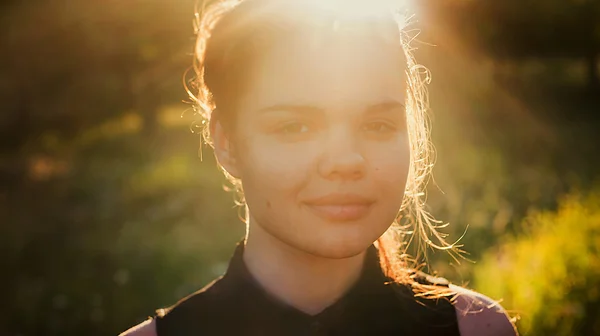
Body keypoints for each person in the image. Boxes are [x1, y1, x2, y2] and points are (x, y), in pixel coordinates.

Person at [121, 0, 518, 335]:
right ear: (227, 144)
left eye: (377, 125)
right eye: (294, 126)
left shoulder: (476, 328)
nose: (345, 161)